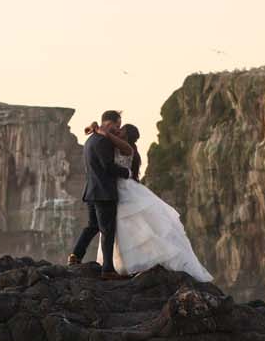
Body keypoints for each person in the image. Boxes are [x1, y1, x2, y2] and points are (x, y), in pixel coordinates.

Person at [91, 121, 213, 282]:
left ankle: (135, 263)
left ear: (127, 136)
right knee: (121, 227)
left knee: (133, 225)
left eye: (121, 130)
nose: (118, 131)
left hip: (124, 190)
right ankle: (123, 264)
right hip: (116, 190)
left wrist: (99, 130)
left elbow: (108, 140)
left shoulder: (126, 148)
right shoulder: (119, 145)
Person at [68, 110, 133, 279]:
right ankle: (108, 269)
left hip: (91, 190)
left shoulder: (90, 140)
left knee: (93, 226)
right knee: (107, 231)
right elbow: (107, 166)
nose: (118, 129)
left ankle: (75, 255)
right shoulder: (103, 141)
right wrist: (126, 173)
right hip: (104, 192)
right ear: (109, 123)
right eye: (117, 125)